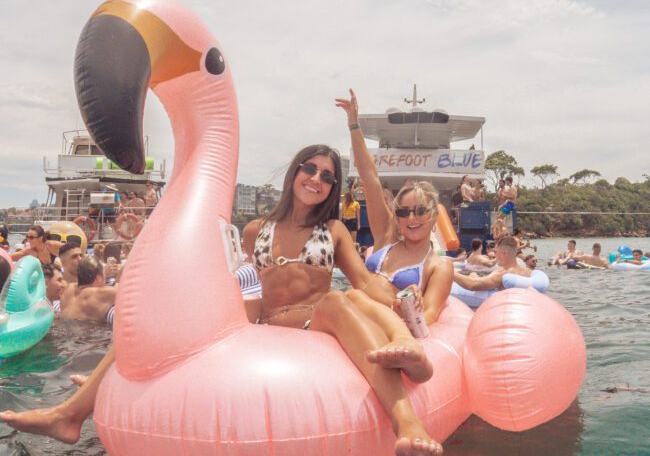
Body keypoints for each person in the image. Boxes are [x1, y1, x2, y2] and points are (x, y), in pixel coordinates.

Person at [1, 144, 444, 455]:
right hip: (269, 320)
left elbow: (363, 283)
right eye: (311, 169)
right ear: (295, 173)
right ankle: (72, 412)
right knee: (166, 318)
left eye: (328, 176)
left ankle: (408, 423)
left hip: (316, 317)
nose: (318, 179)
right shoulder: (256, 230)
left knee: (339, 303)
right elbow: (238, 278)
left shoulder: (333, 231)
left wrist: (404, 296)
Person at [336, 89, 453, 318]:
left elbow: (428, 314)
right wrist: (354, 125)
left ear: (433, 216)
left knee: (354, 296)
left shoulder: (438, 266)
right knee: (347, 297)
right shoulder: (387, 235)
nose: (411, 218)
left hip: (387, 323)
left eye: (420, 211)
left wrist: (410, 304)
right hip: (354, 316)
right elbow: (370, 178)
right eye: (403, 211)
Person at [453, 236, 530, 291]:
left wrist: (450, 272)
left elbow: (472, 285)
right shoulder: (528, 271)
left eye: (496, 252)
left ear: (503, 253)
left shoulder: (501, 274)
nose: (494, 254)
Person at [59, 256, 117, 325]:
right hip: (86, 333)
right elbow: (126, 292)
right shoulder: (100, 293)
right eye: (104, 275)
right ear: (98, 278)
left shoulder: (68, 288)